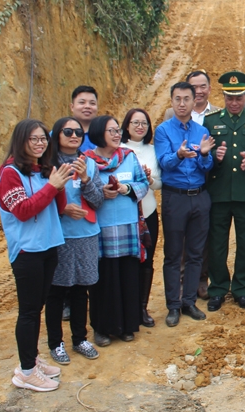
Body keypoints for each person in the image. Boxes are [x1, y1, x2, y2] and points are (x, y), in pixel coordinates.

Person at [0, 119, 72, 392]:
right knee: (28, 311)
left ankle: (31, 359)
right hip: (27, 251)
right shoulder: (10, 174)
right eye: (34, 139)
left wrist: (59, 186)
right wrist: (52, 186)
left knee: (37, 307)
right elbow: (23, 210)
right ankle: (26, 372)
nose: (40, 143)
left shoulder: (43, 170)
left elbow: (59, 207)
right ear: (21, 141)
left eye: (43, 139)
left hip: (49, 245)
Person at [155, 81, 215, 326]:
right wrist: (178, 155)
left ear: (194, 102)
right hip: (175, 197)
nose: (182, 104)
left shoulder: (201, 130)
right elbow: (164, 163)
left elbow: (207, 167)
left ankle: (189, 301)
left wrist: (203, 154)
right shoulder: (163, 131)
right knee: (173, 253)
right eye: (177, 99)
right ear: (172, 101)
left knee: (195, 253)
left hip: (199, 196)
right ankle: (173, 305)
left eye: (186, 99)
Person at [204, 72, 245, 311]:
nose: (234, 102)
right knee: (217, 243)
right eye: (229, 97)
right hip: (218, 192)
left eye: (239, 97)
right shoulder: (210, 121)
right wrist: (213, 156)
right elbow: (203, 152)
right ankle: (218, 288)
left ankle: (241, 288)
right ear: (224, 97)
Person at [85, 116, 149, 345]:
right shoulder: (88, 161)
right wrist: (101, 191)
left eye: (117, 130)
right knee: (105, 280)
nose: (116, 134)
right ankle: (102, 328)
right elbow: (84, 191)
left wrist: (127, 188)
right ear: (98, 132)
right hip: (101, 230)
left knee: (127, 276)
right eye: (110, 130)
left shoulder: (128, 157)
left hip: (128, 227)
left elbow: (143, 184)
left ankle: (126, 325)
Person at [44, 118, 103, 364]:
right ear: (57, 135)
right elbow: (41, 202)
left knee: (82, 289)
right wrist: (63, 209)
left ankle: (80, 338)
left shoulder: (88, 163)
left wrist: (87, 180)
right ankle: (55, 343)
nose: (74, 135)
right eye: (68, 131)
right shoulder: (47, 165)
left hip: (87, 235)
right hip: (59, 237)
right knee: (57, 291)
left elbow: (99, 200)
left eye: (78, 132)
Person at [122, 108, 162, 327]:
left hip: (148, 212)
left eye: (144, 123)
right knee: (127, 262)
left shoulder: (153, 150)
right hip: (124, 215)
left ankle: (142, 308)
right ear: (126, 126)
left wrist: (149, 180)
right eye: (135, 122)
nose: (140, 127)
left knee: (147, 260)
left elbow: (161, 182)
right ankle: (127, 308)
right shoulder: (118, 149)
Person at [71, 86, 99, 151]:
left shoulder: (104, 134)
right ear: (72, 107)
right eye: (82, 102)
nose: (87, 106)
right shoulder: (59, 132)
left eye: (92, 103)